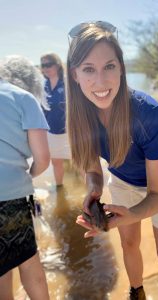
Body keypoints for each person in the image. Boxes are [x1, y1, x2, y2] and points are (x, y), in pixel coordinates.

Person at [67, 22, 158, 300]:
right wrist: (94, 191)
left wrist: (133, 213)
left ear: (121, 67)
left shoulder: (149, 114)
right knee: (129, 243)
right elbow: (93, 170)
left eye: (109, 66)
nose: (100, 82)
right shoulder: (80, 117)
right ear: (74, 75)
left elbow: (156, 195)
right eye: (88, 69)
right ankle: (137, 291)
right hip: (122, 179)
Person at [0, 55, 50, 300]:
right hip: (12, 196)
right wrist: (27, 177)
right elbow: (42, 159)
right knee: (29, 262)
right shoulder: (23, 98)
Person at [40, 53, 71, 187]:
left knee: (81, 164)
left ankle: (91, 196)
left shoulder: (68, 82)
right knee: (56, 163)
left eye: (48, 64)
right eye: (43, 65)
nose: (45, 68)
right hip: (51, 133)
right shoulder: (42, 85)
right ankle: (60, 190)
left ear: (57, 65)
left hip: (70, 133)